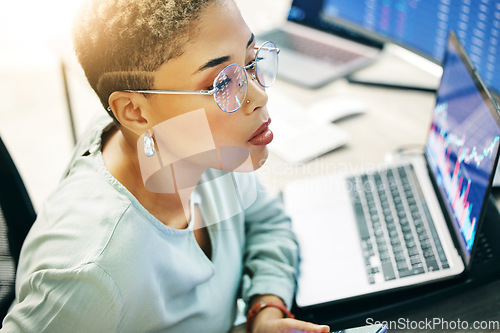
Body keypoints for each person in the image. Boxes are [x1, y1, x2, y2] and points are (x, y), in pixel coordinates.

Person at [1, 0, 331, 332]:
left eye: (250, 61)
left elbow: (265, 221)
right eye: (221, 84)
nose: (259, 95)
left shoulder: (205, 148)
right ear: (134, 112)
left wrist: (266, 308)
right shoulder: (89, 271)